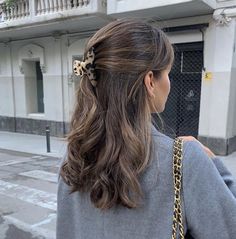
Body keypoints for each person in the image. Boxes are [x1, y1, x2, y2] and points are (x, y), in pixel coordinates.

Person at [56, 19, 236, 239]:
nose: (169, 83)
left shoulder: (74, 159)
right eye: (168, 73)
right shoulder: (185, 161)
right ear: (150, 81)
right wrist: (216, 167)